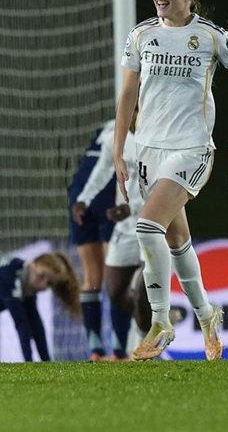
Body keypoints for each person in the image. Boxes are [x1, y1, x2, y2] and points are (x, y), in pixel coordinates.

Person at [115, 0, 228, 361]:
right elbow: (127, 96)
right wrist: (119, 151)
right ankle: (206, 316)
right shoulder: (141, 35)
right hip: (149, 151)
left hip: (191, 149)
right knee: (176, 240)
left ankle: (160, 321)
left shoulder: (211, 37)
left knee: (147, 226)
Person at [74, 109, 142, 360]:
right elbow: (103, 168)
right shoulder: (117, 137)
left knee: (144, 286)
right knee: (113, 289)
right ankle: (110, 348)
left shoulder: (159, 138)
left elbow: (164, 188)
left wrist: (132, 208)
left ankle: (141, 342)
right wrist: (83, 199)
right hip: (122, 225)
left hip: (149, 224)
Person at [68, 120, 117, 360]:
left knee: (92, 278)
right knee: (118, 276)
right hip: (108, 189)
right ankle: (121, 349)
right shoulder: (140, 123)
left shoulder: (105, 128)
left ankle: (95, 349)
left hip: (80, 190)